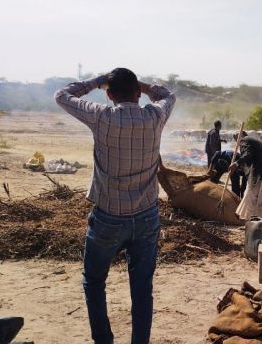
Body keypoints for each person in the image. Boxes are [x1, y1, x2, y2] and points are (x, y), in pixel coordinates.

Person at [54, 68, 175, 344]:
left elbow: (62, 95)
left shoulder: (101, 116)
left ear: (108, 94)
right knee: (142, 289)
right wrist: (144, 87)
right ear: (137, 93)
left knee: (95, 282)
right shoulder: (155, 116)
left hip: (108, 217)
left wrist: (97, 80)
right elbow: (168, 95)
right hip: (146, 217)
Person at [228, 135, 262, 219]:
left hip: (260, 176)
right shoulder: (256, 142)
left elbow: (248, 154)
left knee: (250, 198)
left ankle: (247, 221)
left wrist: (236, 164)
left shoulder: (244, 141)